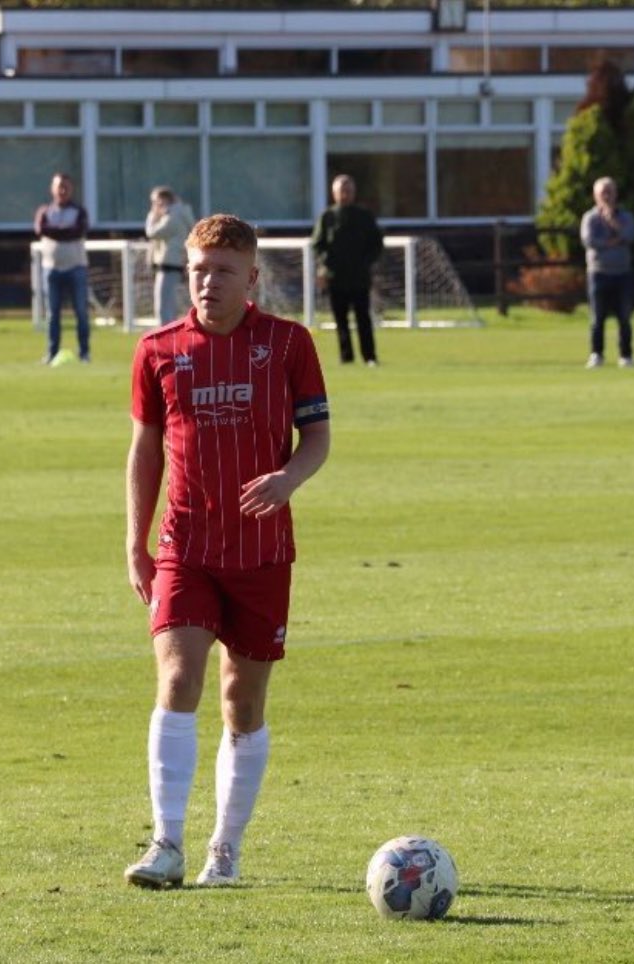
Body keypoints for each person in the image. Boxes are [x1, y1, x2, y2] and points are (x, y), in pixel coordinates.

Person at [123, 213, 331, 889]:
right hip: (186, 547)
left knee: (241, 700)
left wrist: (288, 478)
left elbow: (318, 438)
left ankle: (225, 850)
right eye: (198, 271)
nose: (208, 283)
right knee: (178, 679)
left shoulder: (289, 344)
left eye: (223, 271)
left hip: (262, 552)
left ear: (252, 278)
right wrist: (135, 541)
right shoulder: (158, 350)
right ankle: (166, 843)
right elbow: (145, 450)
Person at [311, 174, 384, 366]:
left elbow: (377, 243)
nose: (345, 194)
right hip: (336, 278)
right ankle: (346, 357)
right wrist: (327, 264)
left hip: (359, 277)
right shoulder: (327, 217)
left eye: (348, 190)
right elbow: (317, 244)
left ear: (354, 192)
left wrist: (366, 262)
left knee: (363, 318)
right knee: (341, 320)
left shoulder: (365, 216)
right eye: (341, 191)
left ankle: (369, 356)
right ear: (334, 193)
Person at [580, 176, 634, 368]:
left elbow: (629, 235)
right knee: (597, 317)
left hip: (622, 272)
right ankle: (597, 354)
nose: (606, 196)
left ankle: (626, 355)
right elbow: (589, 241)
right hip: (598, 272)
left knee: (624, 317)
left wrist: (612, 222)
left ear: (615, 194)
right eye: (602, 192)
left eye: (609, 192)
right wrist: (611, 242)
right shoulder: (590, 218)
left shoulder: (626, 217)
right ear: (595, 195)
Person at [33, 172, 91, 364]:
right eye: (59, 187)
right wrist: (64, 230)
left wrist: (55, 231)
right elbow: (41, 229)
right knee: (52, 313)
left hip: (76, 267)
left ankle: (84, 353)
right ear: (53, 189)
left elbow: (78, 231)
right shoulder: (45, 211)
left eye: (66, 187)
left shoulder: (79, 211)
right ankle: (51, 353)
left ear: (71, 189)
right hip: (51, 268)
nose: (63, 190)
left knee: (81, 312)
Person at [145, 186, 196, 326]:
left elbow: (152, 232)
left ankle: (166, 334)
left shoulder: (173, 215)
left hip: (170, 263)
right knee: (169, 303)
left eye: (155, 202)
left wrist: (152, 215)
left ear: (165, 199)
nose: (154, 206)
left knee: (163, 305)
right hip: (172, 262)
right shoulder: (178, 212)